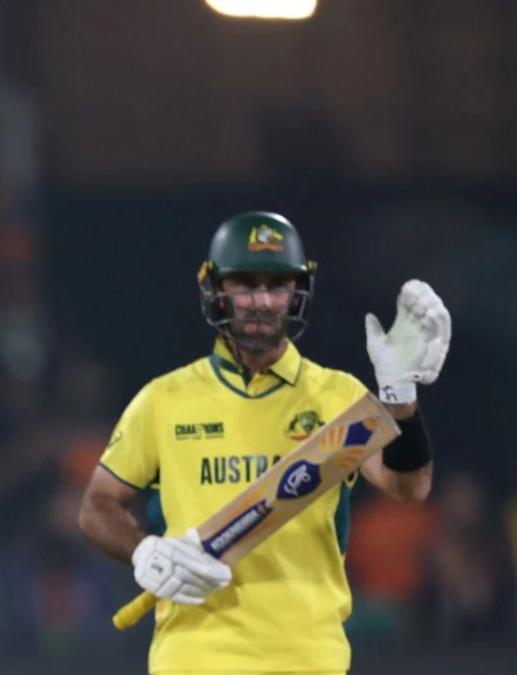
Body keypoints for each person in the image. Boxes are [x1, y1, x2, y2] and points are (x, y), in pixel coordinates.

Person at [77, 211, 451, 674]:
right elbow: (96, 506)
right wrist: (143, 550)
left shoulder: (337, 396)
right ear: (214, 287)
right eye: (244, 284)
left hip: (308, 660)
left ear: (299, 290)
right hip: (193, 658)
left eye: (278, 285)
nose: (262, 301)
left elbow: (408, 487)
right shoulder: (163, 399)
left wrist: (399, 395)